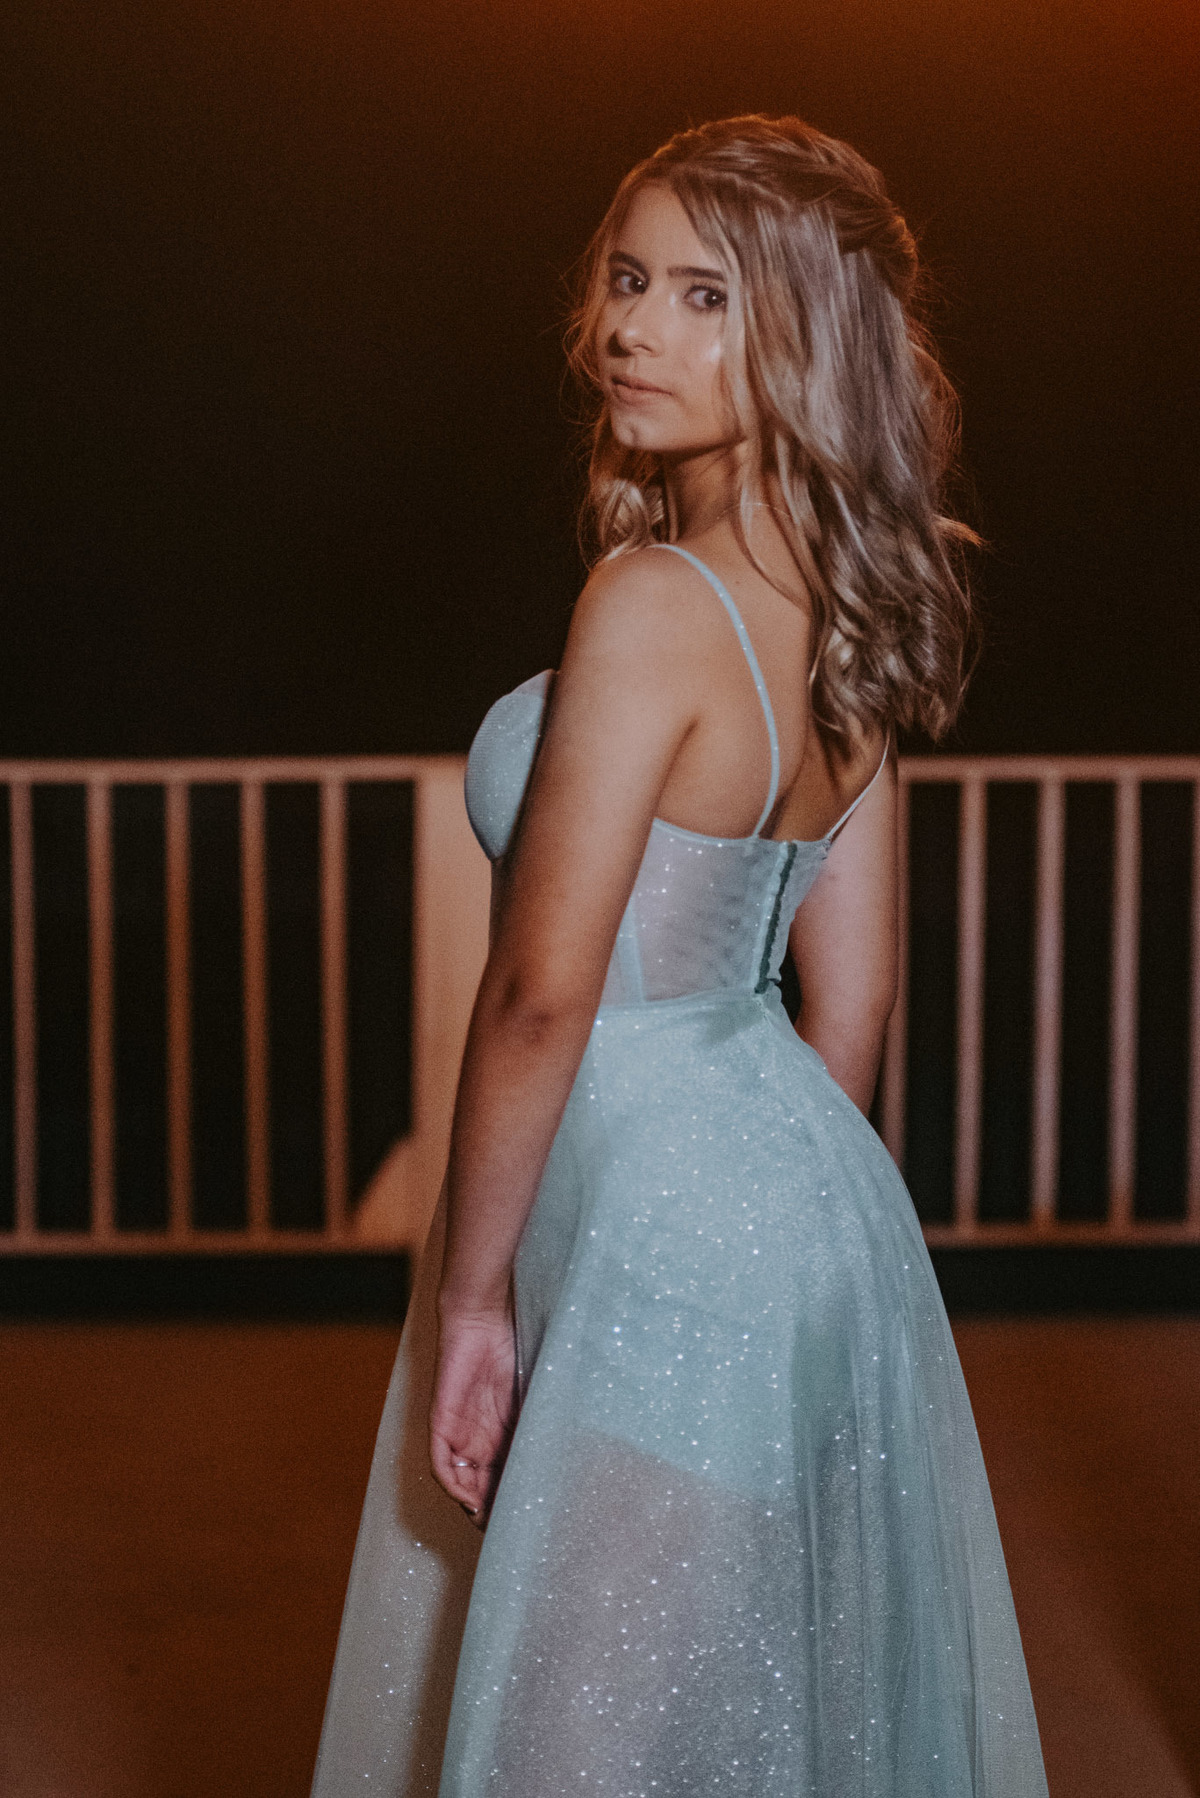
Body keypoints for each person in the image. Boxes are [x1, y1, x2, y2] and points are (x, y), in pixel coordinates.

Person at [311, 115, 1048, 1797]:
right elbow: (851, 997)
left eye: (703, 295)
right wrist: (780, 1220)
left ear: (803, 332)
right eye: (631, 281)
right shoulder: (848, 606)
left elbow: (540, 992)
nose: (633, 327)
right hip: (809, 1197)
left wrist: (475, 1290)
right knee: (725, 1707)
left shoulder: (654, 601)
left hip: (662, 1226)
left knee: (578, 1737)